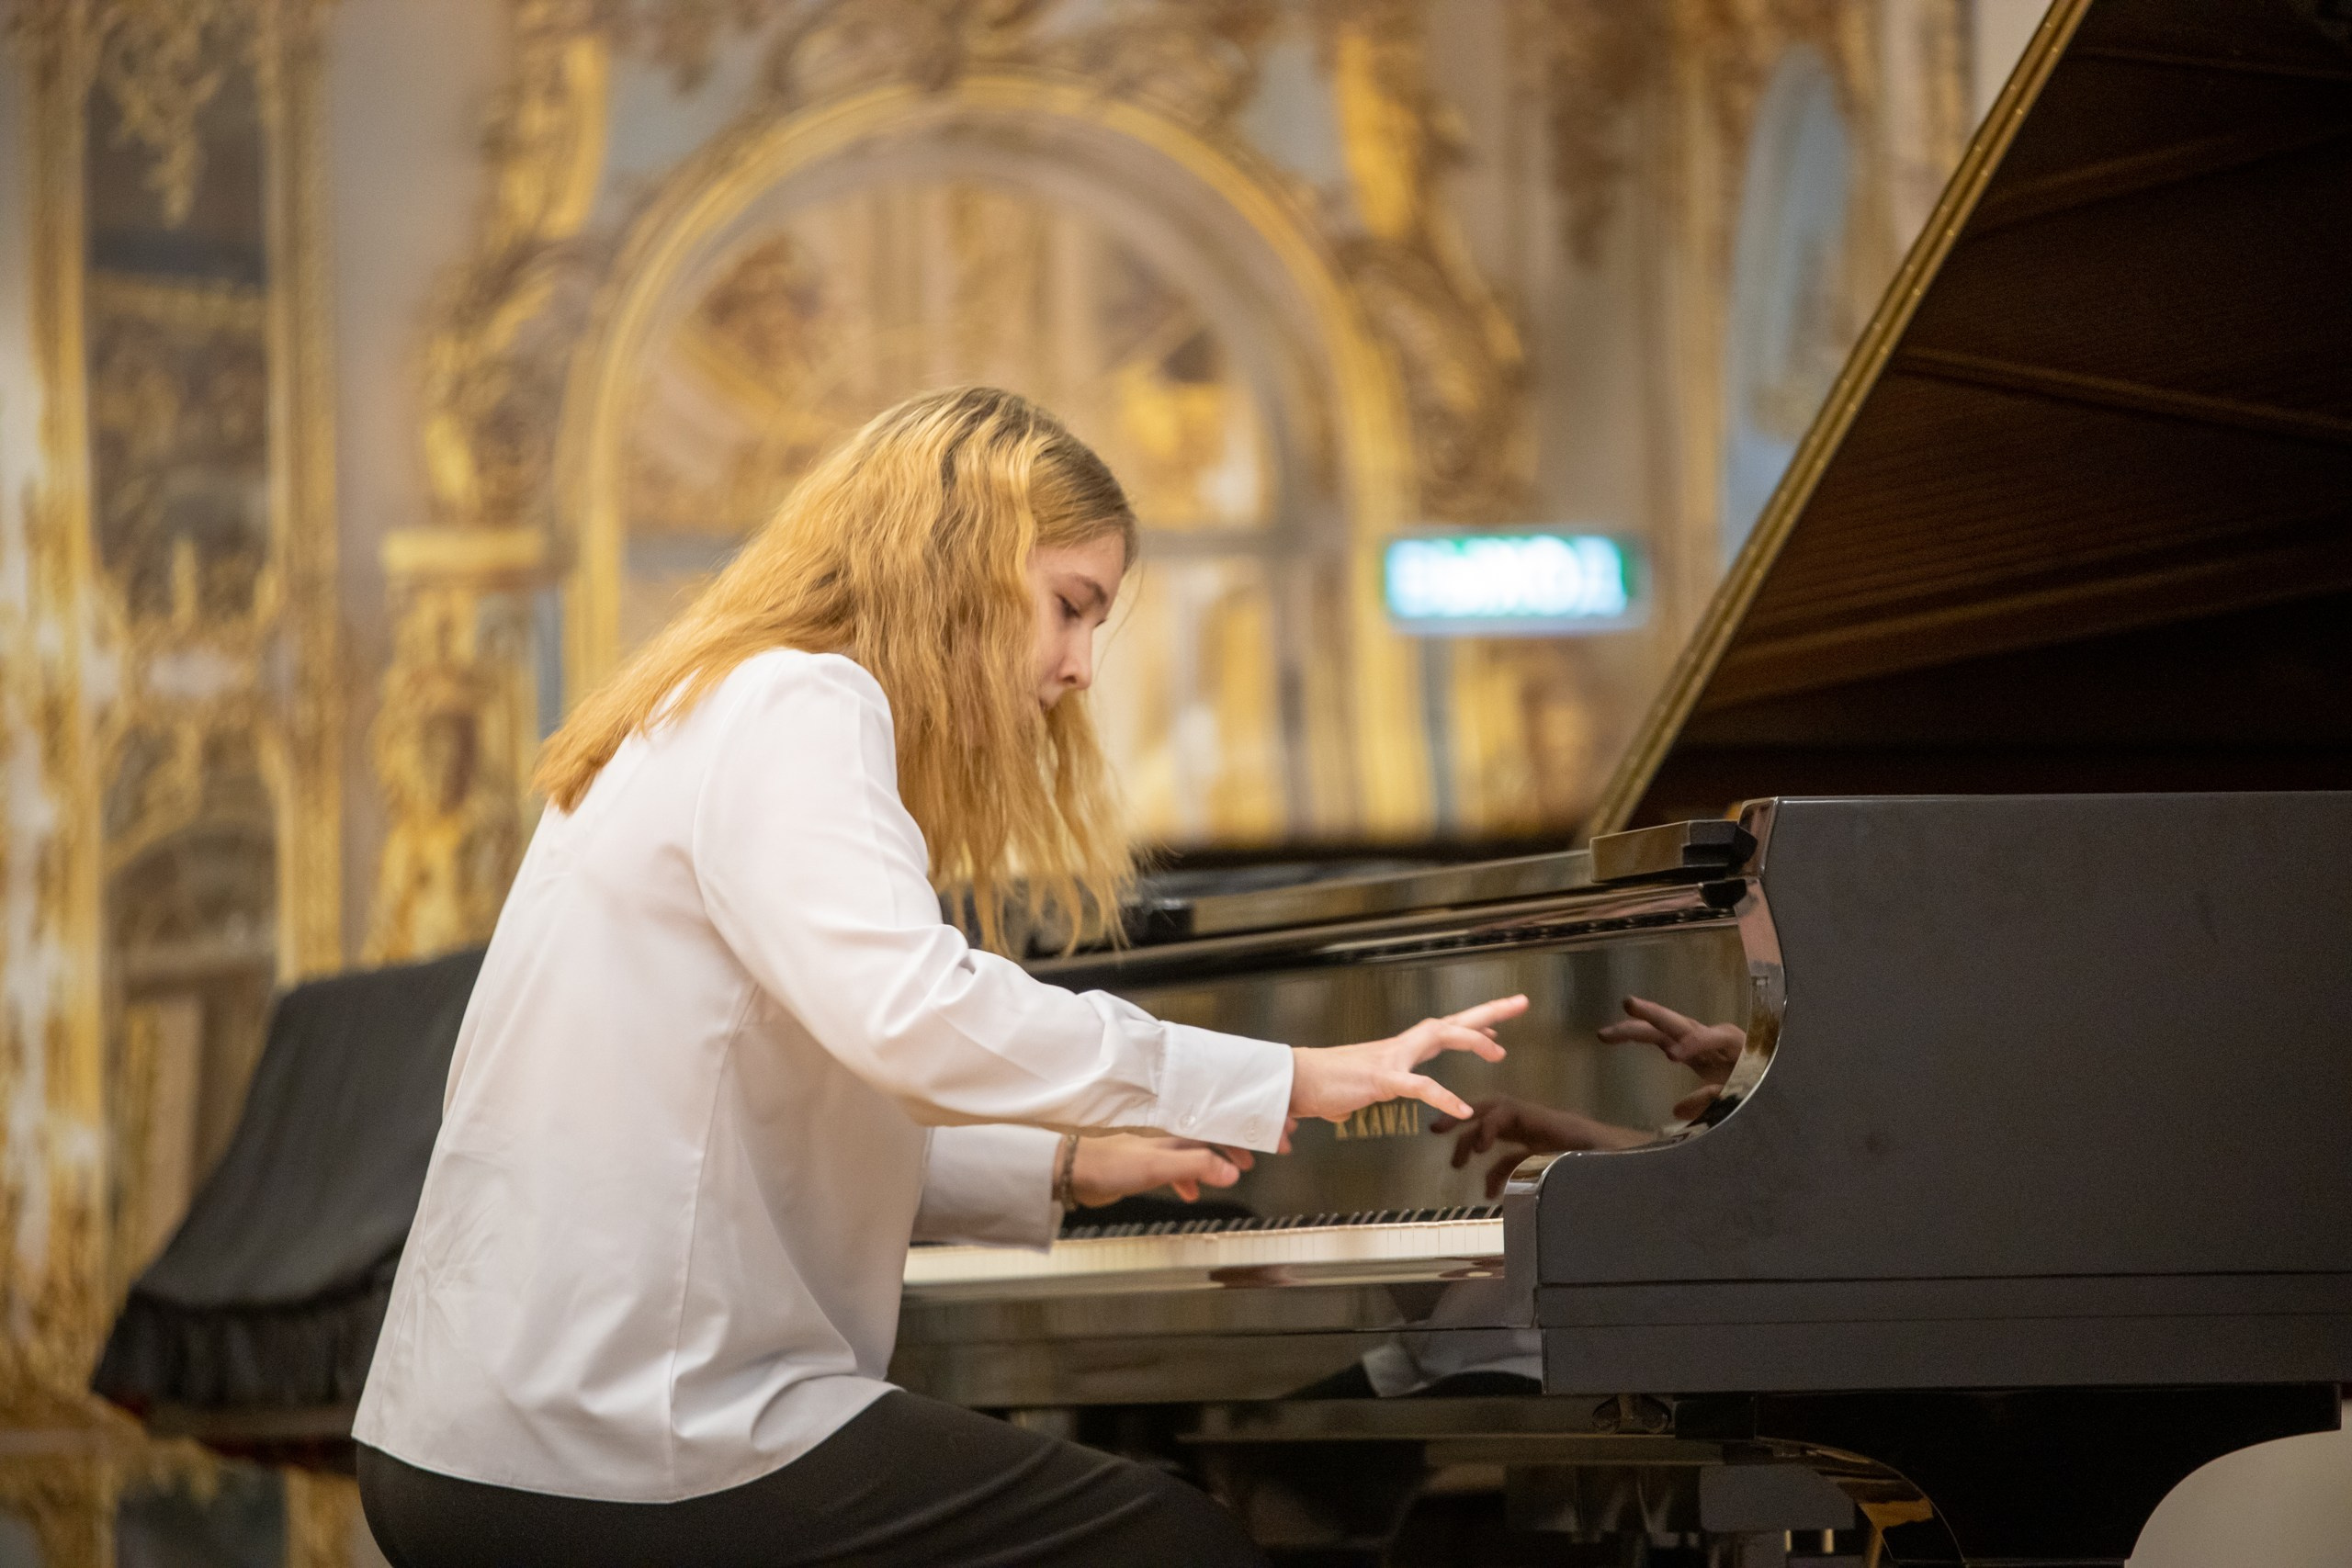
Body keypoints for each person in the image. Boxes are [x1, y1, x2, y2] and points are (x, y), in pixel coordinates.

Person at [351, 386, 1527, 1568]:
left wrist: (1067, 1161)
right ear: (960, 559)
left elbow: (757, 1123)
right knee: (1172, 1543)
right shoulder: (801, 700)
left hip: (474, 1436)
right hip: (617, 1438)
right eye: (1069, 608)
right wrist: (1276, 1074)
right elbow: (917, 1017)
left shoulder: (709, 701)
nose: (1077, 668)